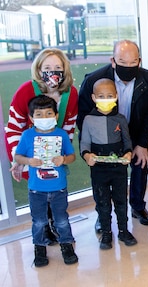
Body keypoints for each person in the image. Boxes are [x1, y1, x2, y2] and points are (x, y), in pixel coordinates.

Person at [77, 40, 148, 231]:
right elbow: (83, 116)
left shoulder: (147, 79)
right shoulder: (93, 80)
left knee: (140, 166)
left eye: (133, 63)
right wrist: (92, 146)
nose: (128, 67)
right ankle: (102, 216)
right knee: (101, 180)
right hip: (102, 140)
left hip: (134, 133)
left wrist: (142, 144)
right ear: (113, 61)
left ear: (139, 61)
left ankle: (138, 207)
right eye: (122, 62)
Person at [5, 47, 78, 244]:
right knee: (39, 193)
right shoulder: (25, 91)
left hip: (54, 155)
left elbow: (69, 127)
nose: (52, 72)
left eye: (57, 67)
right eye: (47, 67)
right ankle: (43, 229)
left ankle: (56, 225)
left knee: (56, 190)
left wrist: (64, 154)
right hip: (31, 155)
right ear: (38, 70)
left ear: (65, 69)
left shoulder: (71, 94)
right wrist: (18, 159)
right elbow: (13, 128)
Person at [14, 95, 78, 267]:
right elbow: (18, 156)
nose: (44, 118)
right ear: (31, 118)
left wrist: (63, 160)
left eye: (49, 113)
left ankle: (66, 245)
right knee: (39, 221)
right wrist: (28, 161)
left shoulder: (61, 134)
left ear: (56, 116)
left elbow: (72, 156)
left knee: (61, 219)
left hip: (59, 187)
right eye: (39, 115)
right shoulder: (27, 136)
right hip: (36, 188)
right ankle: (40, 248)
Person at [80, 78, 137, 249]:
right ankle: (106, 233)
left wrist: (128, 153)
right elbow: (84, 144)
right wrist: (87, 156)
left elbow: (127, 141)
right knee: (102, 202)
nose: (106, 99)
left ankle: (123, 231)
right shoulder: (89, 120)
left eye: (110, 95)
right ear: (93, 97)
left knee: (121, 200)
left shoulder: (120, 119)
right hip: (99, 170)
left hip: (118, 169)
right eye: (101, 96)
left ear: (116, 96)